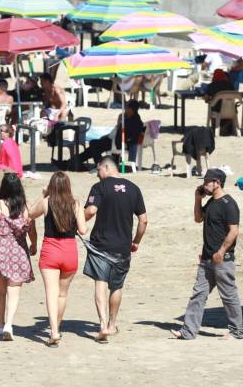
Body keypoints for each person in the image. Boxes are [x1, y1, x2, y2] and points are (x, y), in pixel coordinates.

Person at [171, 169, 243, 340]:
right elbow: (198, 218)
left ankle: (237, 331)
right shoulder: (211, 202)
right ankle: (188, 331)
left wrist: (221, 252)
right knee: (198, 294)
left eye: (207, 181)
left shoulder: (229, 204)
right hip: (206, 258)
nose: (204, 184)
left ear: (217, 183)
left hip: (222, 259)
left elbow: (234, 231)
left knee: (228, 295)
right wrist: (197, 199)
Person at [83, 156, 148, 343]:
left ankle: (102, 325)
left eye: (98, 170)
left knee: (100, 284)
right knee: (116, 286)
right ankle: (112, 324)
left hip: (100, 246)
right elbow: (143, 220)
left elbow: (91, 211)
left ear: (106, 167)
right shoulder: (134, 189)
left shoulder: (100, 187)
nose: (97, 175)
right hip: (122, 247)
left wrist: (78, 222)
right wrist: (136, 241)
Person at [29, 171, 87, 347]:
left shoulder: (47, 203)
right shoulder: (75, 204)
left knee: (50, 292)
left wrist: (43, 194)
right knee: (62, 294)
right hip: (69, 250)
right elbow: (83, 230)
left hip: (50, 251)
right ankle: (57, 327)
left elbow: (29, 213)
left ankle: (53, 331)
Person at [0, 173, 38, 341]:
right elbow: (32, 231)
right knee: (14, 291)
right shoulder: (27, 207)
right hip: (18, 251)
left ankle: (0, 323)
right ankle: (9, 324)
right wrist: (34, 245)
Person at [77, 99, 145, 167]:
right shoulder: (136, 119)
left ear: (130, 109)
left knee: (93, 143)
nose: (125, 109)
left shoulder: (130, 122)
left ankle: (100, 164)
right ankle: (75, 161)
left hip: (117, 143)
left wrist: (121, 121)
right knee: (92, 148)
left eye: (126, 108)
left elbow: (122, 134)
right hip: (117, 141)